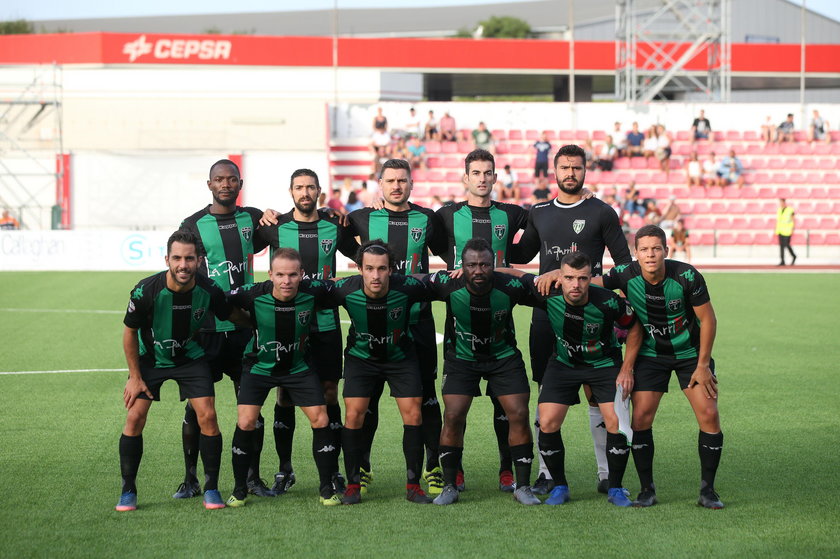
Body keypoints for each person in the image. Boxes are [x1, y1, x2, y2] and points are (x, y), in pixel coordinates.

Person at [511, 143, 632, 496]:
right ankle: (548, 473)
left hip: (592, 315)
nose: (570, 173)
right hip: (548, 314)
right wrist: (509, 218)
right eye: (564, 167)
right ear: (554, 171)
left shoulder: (602, 212)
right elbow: (519, 253)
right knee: (546, 392)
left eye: (576, 168)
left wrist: (596, 281)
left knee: (598, 395)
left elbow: (624, 264)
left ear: (585, 171)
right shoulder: (539, 212)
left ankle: (606, 472)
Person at [596, 225, 724, 509]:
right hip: (651, 354)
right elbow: (586, 282)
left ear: (666, 250)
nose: (650, 254)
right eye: (644, 249)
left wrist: (703, 365)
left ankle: (708, 491)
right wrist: (555, 275)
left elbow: (709, 320)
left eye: (656, 249)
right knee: (641, 418)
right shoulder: (624, 275)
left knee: (709, 415)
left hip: (690, 354)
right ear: (636, 253)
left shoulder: (687, 276)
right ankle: (646, 490)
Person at [116, 230, 241, 511]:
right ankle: (128, 491)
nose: (183, 265)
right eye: (177, 258)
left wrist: (259, 319)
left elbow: (232, 314)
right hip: (151, 359)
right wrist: (135, 377)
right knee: (135, 417)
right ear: (167, 259)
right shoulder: (146, 289)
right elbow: (129, 332)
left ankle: (210, 488)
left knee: (208, 415)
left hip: (189, 357)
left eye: (189, 258)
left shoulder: (208, 290)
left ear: (198, 260)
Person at [346, 159, 446, 496]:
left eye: (402, 180)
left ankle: (432, 466)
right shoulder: (361, 217)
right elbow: (347, 246)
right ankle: (361, 464)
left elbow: (449, 252)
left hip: (418, 323)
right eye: (390, 181)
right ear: (380, 184)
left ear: (411, 183)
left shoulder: (428, 219)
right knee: (367, 400)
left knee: (427, 398)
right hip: (373, 321)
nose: (396, 186)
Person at [256, 169, 359, 496]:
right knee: (284, 393)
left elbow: (361, 256)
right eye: (299, 187)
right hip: (286, 324)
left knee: (330, 394)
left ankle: (335, 470)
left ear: (319, 191)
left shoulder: (333, 225)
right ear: (291, 191)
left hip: (326, 324)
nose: (305, 192)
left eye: (310, 187)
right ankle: (285, 470)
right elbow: (241, 241)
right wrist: (262, 214)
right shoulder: (275, 228)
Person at [436, 149, 529, 491]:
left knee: (506, 407)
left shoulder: (513, 214)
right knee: (455, 411)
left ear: (494, 177)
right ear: (466, 178)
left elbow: (544, 230)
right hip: (458, 318)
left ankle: (508, 470)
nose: (482, 178)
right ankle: (453, 474)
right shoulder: (445, 216)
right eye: (475, 172)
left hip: (501, 314)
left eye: (488, 172)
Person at [178, 159, 271, 499]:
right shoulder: (193, 224)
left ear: (240, 182)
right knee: (197, 408)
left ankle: (253, 478)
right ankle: (190, 479)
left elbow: (282, 230)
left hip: (245, 328)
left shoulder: (252, 217)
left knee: (252, 406)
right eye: (219, 180)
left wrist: (276, 215)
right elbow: (183, 269)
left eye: (231, 179)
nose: (226, 185)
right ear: (209, 185)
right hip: (204, 330)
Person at [224, 248, 344, 507]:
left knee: (321, 418)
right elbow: (223, 302)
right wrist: (246, 321)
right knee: (245, 422)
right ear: (270, 274)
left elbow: (340, 285)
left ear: (302, 274)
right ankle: (239, 489)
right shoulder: (254, 293)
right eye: (280, 275)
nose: (286, 281)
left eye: (292, 275)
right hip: (259, 367)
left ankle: (326, 488)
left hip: (298, 367)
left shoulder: (313, 291)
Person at [427, 238, 541, 506]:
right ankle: (449, 485)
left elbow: (549, 288)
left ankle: (522, 486)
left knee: (519, 412)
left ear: (494, 266)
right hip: (462, 359)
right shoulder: (448, 284)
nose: (478, 270)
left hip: (503, 358)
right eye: (471, 265)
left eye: (484, 265)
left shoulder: (510, 287)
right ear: (461, 267)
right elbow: (407, 283)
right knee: (453, 415)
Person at [530, 251, 642, 507]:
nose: (576, 284)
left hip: (603, 364)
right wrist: (483, 271)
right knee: (546, 421)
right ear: (561, 276)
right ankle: (559, 486)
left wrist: (626, 368)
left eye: (582, 278)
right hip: (563, 364)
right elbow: (514, 278)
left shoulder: (608, 301)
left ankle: (615, 487)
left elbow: (634, 326)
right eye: (569, 277)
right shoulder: (549, 293)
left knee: (616, 423)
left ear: (591, 277)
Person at [333, 241, 436, 505]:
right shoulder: (344, 289)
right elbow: (305, 291)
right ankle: (353, 484)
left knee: (413, 413)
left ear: (392, 269)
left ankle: (413, 485)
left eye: (381, 269)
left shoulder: (407, 287)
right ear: (359, 269)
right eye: (369, 269)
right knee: (354, 414)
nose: (375, 275)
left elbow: (445, 283)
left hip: (400, 358)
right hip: (361, 359)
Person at [776, 198, 796, 266]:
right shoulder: (779, 210)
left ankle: (793, 256)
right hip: (780, 230)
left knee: (787, 245)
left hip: (787, 231)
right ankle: (782, 260)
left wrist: (793, 228)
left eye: (781, 202)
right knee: (781, 246)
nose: (781, 204)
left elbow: (793, 219)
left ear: (784, 202)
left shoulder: (790, 210)